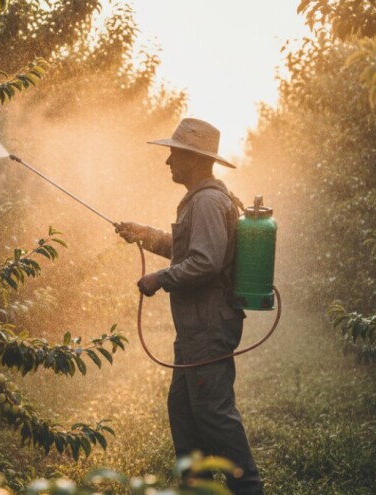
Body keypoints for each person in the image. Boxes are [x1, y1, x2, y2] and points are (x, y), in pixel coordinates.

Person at [115, 118, 263, 495]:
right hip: (195, 329)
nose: (168, 162)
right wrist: (145, 235)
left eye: (173, 154)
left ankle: (249, 490)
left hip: (208, 327)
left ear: (194, 159)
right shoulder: (202, 200)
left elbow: (206, 262)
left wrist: (159, 279)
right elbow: (188, 249)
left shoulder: (209, 201)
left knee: (215, 417)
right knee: (184, 413)